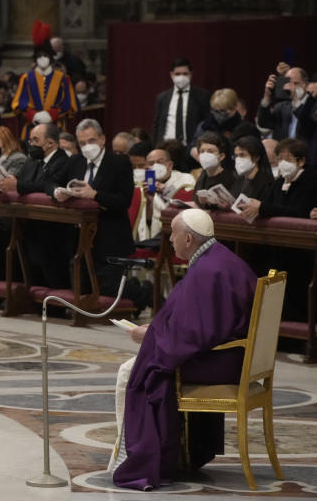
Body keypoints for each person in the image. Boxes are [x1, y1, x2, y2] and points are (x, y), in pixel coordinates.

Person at [111, 209, 257, 490]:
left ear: (188, 238)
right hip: (236, 355)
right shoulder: (219, 258)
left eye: (173, 235)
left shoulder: (208, 271)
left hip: (223, 361)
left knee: (136, 372)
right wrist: (158, 331)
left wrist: (151, 336)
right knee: (146, 363)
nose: (171, 241)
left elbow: (194, 333)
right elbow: (200, 323)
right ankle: (181, 455)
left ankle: (140, 460)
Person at [52, 119, 142, 307]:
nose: (87, 147)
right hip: (80, 237)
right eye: (82, 143)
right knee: (82, 287)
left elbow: (124, 201)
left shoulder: (119, 163)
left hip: (110, 236)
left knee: (108, 287)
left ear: (102, 140)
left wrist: (95, 195)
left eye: (91, 141)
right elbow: (54, 182)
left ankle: (143, 292)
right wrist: (59, 191)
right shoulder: (75, 161)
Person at [236, 138, 317, 321]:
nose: (283, 163)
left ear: (301, 161)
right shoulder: (280, 180)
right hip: (277, 246)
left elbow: (300, 212)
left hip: (301, 250)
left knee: (297, 296)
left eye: (288, 159)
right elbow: (267, 203)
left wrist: (263, 207)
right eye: (280, 158)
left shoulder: (309, 180)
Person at [0, 123, 71, 286]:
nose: (31, 144)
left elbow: (47, 185)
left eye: (35, 140)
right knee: (32, 269)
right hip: (29, 223)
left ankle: (54, 306)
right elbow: (20, 182)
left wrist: (17, 185)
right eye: (30, 140)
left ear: (50, 143)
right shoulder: (32, 161)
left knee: (51, 272)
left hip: (53, 228)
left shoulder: (63, 161)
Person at [11, 21, 79, 140]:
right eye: (39, 56)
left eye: (46, 56)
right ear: (35, 59)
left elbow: (71, 105)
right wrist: (33, 115)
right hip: (31, 129)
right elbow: (18, 104)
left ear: (51, 58)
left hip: (56, 129)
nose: (43, 59)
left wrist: (52, 114)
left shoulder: (62, 78)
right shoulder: (26, 78)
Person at [150, 57, 211, 169]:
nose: (181, 77)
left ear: (190, 74)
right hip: (166, 150)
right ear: (171, 74)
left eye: (185, 73)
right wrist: (155, 147)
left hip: (190, 150)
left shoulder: (202, 96)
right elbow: (157, 124)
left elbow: (206, 123)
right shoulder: (163, 97)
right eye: (177, 74)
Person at [256, 67, 317, 143]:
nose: (291, 87)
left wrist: (297, 99)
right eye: (288, 83)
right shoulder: (281, 107)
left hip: (305, 152)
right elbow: (264, 123)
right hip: (283, 151)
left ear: (306, 84)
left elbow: (307, 125)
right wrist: (267, 96)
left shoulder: (315, 105)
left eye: (296, 83)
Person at [192, 132, 236, 209]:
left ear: (221, 156)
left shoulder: (230, 178)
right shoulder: (202, 177)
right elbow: (196, 202)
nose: (205, 155)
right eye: (202, 151)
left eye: (210, 151)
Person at [228, 136, 274, 202]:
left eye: (242, 155)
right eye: (236, 156)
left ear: (256, 157)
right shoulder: (239, 179)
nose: (238, 159)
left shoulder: (266, 183)